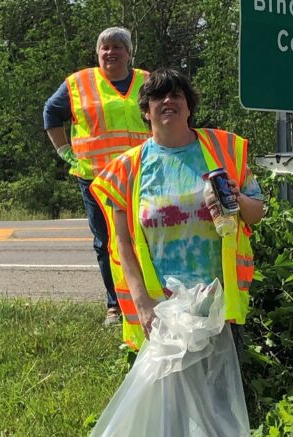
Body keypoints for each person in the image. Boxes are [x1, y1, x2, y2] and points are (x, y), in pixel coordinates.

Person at [90, 68, 264, 353]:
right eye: (158, 97)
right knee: (171, 396)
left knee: (221, 393)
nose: (168, 101)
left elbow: (256, 213)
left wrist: (238, 199)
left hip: (218, 303)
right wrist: (142, 304)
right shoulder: (126, 169)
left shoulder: (224, 148)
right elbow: (123, 245)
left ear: (189, 107)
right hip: (164, 308)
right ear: (146, 111)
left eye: (176, 95)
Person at [43, 26, 151, 325]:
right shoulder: (79, 83)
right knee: (106, 242)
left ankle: (151, 295)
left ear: (129, 53)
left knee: (148, 236)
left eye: (117, 47)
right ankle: (115, 305)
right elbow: (50, 113)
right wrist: (64, 150)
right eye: (104, 47)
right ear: (97, 53)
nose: (110, 52)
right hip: (97, 178)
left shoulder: (147, 81)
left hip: (143, 176)